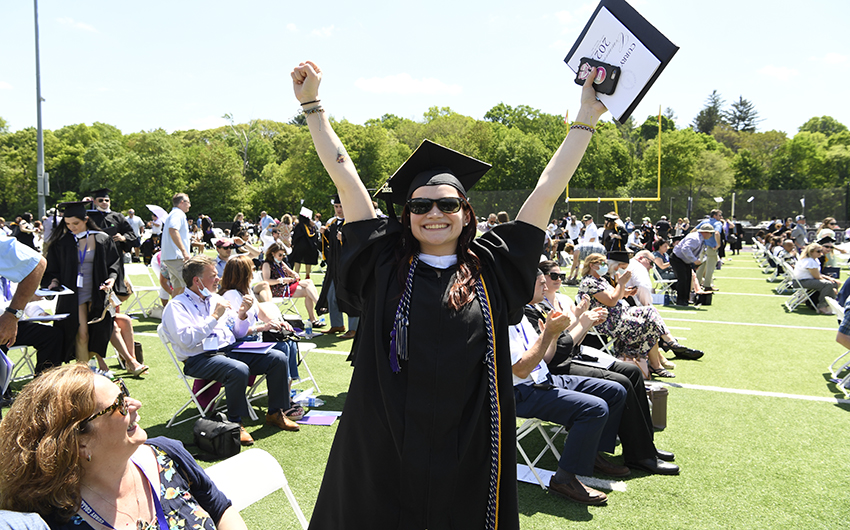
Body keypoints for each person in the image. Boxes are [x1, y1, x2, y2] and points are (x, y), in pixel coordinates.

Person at [291, 59, 605, 529]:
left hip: (467, 437)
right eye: (420, 205)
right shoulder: (382, 261)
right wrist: (313, 106)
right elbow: (345, 175)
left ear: (465, 211)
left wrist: (585, 119)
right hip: (384, 436)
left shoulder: (493, 266)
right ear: (407, 213)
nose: (433, 213)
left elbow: (546, 190)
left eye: (447, 204)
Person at [0, 364, 248, 530]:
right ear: (80, 441)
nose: (135, 404)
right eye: (117, 405)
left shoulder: (167, 453)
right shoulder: (51, 517)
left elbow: (221, 510)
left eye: (125, 393)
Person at [531, 262, 679, 474]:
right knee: (622, 382)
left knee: (633, 373)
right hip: (554, 368)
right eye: (545, 280)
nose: (551, 283)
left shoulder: (550, 304)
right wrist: (583, 322)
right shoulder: (529, 311)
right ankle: (634, 454)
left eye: (557, 276)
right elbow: (554, 353)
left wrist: (583, 321)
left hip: (567, 358)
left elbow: (567, 343)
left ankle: (645, 446)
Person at [509, 275, 626, 505]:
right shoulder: (501, 318)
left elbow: (549, 356)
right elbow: (521, 370)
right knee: (595, 408)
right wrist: (548, 334)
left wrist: (551, 333)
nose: (545, 286)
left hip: (543, 379)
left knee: (616, 391)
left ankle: (590, 454)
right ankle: (563, 479)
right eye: (539, 282)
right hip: (521, 391)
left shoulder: (522, 314)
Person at [161, 255, 299, 444]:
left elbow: (237, 333)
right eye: (213, 276)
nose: (218, 279)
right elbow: (186, 341)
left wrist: (242, 314)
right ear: (197, 280)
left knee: (277, 357)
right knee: (237, 369)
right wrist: (214, 317)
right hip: (199, 358)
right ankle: (235, 423)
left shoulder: (215, 298)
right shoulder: (177, 306)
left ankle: (276, 412)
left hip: (229, 349)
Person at [577, 253, 703, 378]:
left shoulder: (601, 280)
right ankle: (664, 350)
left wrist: (626, 292)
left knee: (650, 313)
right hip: (606, 321)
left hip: (619, 316)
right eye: (602, 263)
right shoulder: (589, 282)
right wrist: (621, 283)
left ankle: (661, 355)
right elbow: (611, 301)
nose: (606, 265)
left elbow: (615, 295)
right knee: (649, 320)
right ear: (592, 265)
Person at [219, 255, 305, 424]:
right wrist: (263, 327)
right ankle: (283, 402)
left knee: (289, 342)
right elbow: (237, 331)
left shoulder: (246, 291)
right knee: (281, 348)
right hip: (239, 345)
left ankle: (285, 396)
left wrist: (279, 322)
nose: (254, 272)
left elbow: (261, 313)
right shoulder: (230, 296)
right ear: (243, 273)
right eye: (251, 269)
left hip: (251, 340)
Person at [42, 202, 125, 364]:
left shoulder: (102, 239)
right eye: (67, 224)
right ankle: (83, 372)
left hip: (96, 292)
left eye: (75, 223)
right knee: (81, 334)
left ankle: (91, 367)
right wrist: (53, 281)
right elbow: (53, 269)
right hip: (74, 296)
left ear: (86, 219)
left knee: (98, 331)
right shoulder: (62, 243)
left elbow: (114, 265)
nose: (71, 227)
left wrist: (112, 279)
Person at [0, 237, 64, 374]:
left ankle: (43, 384)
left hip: (15, 324)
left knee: (53, 335)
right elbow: (10, 305)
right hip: (4, 322)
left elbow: (20, 301)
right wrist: (15, 310)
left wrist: (39, 314)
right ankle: (4, 390)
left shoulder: (16, 275)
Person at [317, 195, 359, 338]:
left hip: (349, 268)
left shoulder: (353, 223)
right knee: (331, 296)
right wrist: (325, 234)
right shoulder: (334, 223)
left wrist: (346, 238)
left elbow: (360, 244)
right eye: (336, 207)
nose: (339, 209)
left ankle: (354, 328)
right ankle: (337, 325)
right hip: (334, 267)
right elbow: (330, 245)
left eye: (341, 206)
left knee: (350, 296)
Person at [259, 242, 323, 328]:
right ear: (272, 253)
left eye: (283, 255)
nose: (282, 257)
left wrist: (295, 275)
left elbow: (290, 272)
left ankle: (315, 315)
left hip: (286, 285)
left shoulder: (280, 263)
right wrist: (282, 280)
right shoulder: (267, 264)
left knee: (309, 284)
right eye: (280, 255)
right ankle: (318, 309)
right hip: (277, 289)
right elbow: (266, 281)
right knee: (308, 287)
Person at [670, 226, 715, 307]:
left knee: (688, 279)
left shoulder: (699, 239)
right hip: (678, 258)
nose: (711, 235)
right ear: (705, 232)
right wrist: (694, 260)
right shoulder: (695, 238)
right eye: (710, 233)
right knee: (683, 279)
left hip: (685, 260)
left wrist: (693, 263)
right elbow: (685, 249)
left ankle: (686, 299)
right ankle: (680, 300)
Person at [794, 243, 839, 314]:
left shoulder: (814, 260)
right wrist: (829, 282)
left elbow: (817, 274)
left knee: (834, 282)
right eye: (818, 251)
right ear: (811, 252)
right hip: (802, 281)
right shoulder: (809, 261)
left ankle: (830, 304)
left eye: (821, 251)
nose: (820, 253)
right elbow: (817, 277)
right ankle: (822, 306)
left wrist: (829, 278)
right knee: (827, 284)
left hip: (807, 280)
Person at [161, 193, 191, 298]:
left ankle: (172, 313)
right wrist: (184, 251)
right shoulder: (178, 214)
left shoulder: (173, 213)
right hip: (177, 257)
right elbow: (173, 230)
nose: (190, 205)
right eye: (188, 202)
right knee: (189, 285)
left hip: (171, 256)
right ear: (182, 202)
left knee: (178, 288)